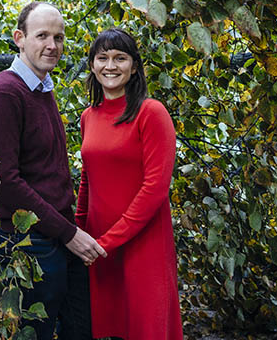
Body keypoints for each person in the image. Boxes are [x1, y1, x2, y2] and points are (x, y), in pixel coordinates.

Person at [0, 1, 106, 340]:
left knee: (81, 328)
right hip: (29, 243)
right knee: (35, 333)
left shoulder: (41, 88)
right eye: (43, 36)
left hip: (59, 234)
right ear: (20, 38)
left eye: (59, 38)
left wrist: (69, 229)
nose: (53, 46)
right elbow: (5, 183)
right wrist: (68, 233)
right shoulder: (5, 92)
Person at [76, 28, 183, 339]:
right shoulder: (88, 116)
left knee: (145, 327)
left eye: (120, 58)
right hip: (97, 244)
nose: (111, 66)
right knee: (107, 328)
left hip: (142, 243)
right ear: (93, 65)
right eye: (103, 58)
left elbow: (155, 189)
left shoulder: (151, 113)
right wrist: (78, 231)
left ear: (134, 66)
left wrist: (107, 243)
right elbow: (88, 178)